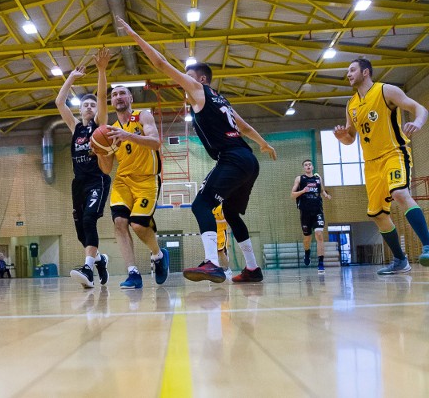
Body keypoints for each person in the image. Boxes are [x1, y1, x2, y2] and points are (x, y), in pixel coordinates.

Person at [115, 17, 277, 284]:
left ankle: (212, 263)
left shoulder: (200, 90)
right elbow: (245, 127)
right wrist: (263, 144)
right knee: (231, 213)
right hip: (248, 160)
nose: (183, 82)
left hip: (233, 159)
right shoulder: (221, 100)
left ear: (201, 79)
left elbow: (160, 64)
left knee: (202, 203)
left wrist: (133, 34)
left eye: (188, 78)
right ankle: (252, 268)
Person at [334, 58, 429, 274]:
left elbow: (419, 108)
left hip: (393, 153)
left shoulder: (386, 91)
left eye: (352, 70)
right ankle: (400, 260)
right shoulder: (351, 104)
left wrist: (418, 122)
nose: (348, 74)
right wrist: (342, 136)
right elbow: (350, 138)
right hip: (371, 164)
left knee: (399, 193)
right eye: (347, 71)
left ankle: (428, 245)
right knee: (377, 214)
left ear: (365, 72)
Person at [94, 61, 169, 290]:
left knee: (138, 226)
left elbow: (155, 141)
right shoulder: (109, 130)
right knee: (119, 222)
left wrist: (127, 135)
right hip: (123, 181)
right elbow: (107, 169)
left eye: (122, 93)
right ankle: (133, 273)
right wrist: (100, 150)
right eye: (114, 94)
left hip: (147, 179)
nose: (117, 97)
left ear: (130, 99)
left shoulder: (142, 116)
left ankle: (158, 255)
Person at [56, 48, 111, 288]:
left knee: (90, 219)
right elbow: (59, 101)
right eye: (85, 104)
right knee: (81, 232)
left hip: (97, 180)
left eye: (92, 105)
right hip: (78, 183)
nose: (89, 106)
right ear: (80, 109)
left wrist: (101, 71)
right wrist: (71, 78)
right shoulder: (76, 127)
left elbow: (101, 97)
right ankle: (100, 259)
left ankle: (87, 269)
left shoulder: (99, 125)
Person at [291, 159, 332, 272]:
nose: (308, 166)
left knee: (319, 235)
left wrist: (326, 195)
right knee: (307, 238)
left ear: (312, 167)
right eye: (305, 165)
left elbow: (322, 191)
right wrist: (303, 191)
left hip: (317, 211)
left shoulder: (318, 179)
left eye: (309, 164)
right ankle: (307, 253)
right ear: (303, 168)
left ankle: (320, 263)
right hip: (305, 212)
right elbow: (292, 195)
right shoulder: (300, 179)